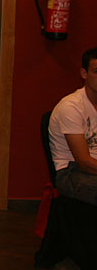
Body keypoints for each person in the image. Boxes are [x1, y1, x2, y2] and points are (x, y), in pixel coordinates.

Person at [49, 46, 97, 205]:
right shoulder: (71, 106)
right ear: (84, 73)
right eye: (96, 72)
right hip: (71, 172)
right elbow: (83, 162)